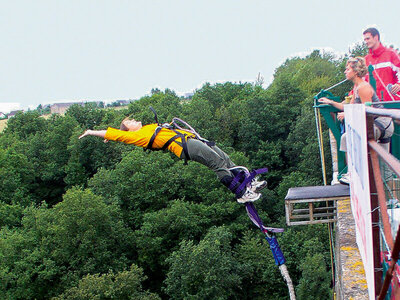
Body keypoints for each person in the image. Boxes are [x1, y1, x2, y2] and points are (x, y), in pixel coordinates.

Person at [79, 117, 267, 203]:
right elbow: (117, 135)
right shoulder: (138, 137)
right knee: (217, 164)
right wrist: (93, 132)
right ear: (128, 130)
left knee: (225, 159)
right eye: (131, 122)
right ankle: (241, 193)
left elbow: (115, 135)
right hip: (186, 146)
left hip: (191, 139)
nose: (135, 120)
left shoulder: (147, 128)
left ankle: (248, 185)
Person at [319, 57, 394, 184]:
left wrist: (347, 115)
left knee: (346, 138)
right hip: (376, 124)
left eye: (347, 69)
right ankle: (392, 199)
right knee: (384, 167)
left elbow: (368, 112)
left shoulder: (363, 88)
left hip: (381, 125)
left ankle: (352, 174)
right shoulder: (356, 87)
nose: (345, 72)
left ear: (355, 71)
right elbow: (350, 107)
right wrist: (331, 102)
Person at [363, 27, 400, 101]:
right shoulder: (366, 59)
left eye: (368, 38)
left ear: (376, 37)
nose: (366, 42)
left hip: (392, 102)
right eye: (365, 40)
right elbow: (362, 82)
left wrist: (399, 85)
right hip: (374, 104)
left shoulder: (391, 54)